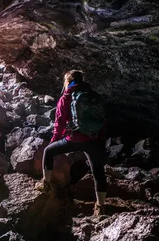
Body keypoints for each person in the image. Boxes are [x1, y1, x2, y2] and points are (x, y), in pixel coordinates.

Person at [35, 70, 108, 216]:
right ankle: (100, 207)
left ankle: (46, 184)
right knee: (98, 171)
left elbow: (60, 123)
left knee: (48, 152)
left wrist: (54, 141)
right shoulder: (91, 96)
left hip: (72, 139)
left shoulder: (66, 97)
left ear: (68, 81)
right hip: (92, 140)